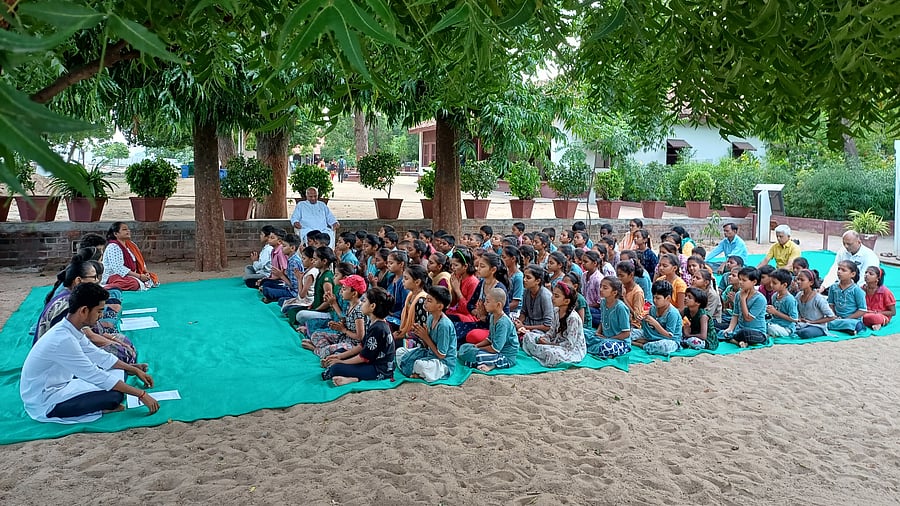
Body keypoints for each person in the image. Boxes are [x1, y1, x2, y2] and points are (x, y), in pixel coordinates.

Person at [20, 283, 159, 423]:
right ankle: (97, 408)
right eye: (99, 311)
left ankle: (98, 402)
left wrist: (133, 369)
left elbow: (100, 356)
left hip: (63, 386)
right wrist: (141, 394)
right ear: (84, 311)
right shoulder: (63, 339)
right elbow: (93, 374)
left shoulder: (71, 329)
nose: (101, 316)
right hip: (45, 401)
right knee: (115, 395)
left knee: (118, 372)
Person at [321, 286, 395, 386]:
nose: (361, 304)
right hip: (370, 361)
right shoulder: (375, 323)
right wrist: (339, 356)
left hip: (379, 369)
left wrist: (341, 362)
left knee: (336, 368)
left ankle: (354, 379)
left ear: (372, 306)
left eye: (364, 301)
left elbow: (364, 358)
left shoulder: (378, 328)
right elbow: (361, 346)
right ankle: (341, 368)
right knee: (340, 351)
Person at [395, 286, 458, 382]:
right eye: (426, 299)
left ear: (440, 307)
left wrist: (426, 337)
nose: (425, 302)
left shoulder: (444, 325)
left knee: (420, 365)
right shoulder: (431, 317)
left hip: (443, 363)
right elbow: (427, 347)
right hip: (429, 354)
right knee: (400, 351)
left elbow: (442, 355)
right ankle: (416, 373)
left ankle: (417, 372)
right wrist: (420, 334)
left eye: (429, 300)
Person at [521, 282, 587, 367]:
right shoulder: (556, 311)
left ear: (566, 301)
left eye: (556, 296)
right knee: (528, 336)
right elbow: (551, 331)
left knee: (552, 354)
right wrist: (545, 338)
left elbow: (570, 345)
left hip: (569, 349)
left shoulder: (572, 318)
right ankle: (540, 351)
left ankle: (540, 352)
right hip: (554, 342)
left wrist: (549, 344)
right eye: (553, 294)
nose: (552, 298)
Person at [458, 288, 519, 372]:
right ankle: (485, 362)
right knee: (465, 347)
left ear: (498, 305)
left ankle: (492, 364)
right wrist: (476, 346)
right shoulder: (492, 317)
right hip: (495, 352)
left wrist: (478, 349)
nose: (484, 304)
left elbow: (495, 349)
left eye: (487, 301)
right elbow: (490, 339)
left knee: (474, 355)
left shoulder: (503, 323)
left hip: (505, 356)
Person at [101, 222, 158, 291]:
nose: (128, 231)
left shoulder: (132, 245)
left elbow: (140, 262)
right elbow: (118, 268)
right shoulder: (113, 246)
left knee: (151, 278)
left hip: (132, 275)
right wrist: (139, 276)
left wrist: (146, 273)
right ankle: (106, 287)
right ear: (116, 234)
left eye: (128, 229)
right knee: (133, 283)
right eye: (124, 229)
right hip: (115, 276)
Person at [631, 280, 682, 355]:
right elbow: (650, 327)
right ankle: (648, 341)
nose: (654, 300)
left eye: (658, 298)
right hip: (653, 335)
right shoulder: (653, 309)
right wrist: (642, 320)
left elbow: (669, 335)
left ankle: (640, 344)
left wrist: (655, 324)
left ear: (668, 298)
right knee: (631, 333)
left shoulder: (672, 313)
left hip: (670, 340)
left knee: (663, 347)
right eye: (653, 297)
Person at [586, 276, 632, 359]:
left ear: (614, 292)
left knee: (606, 347)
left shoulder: (620, 307)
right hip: (603, 338)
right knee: (583, 332)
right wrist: (598, 332)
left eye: (605, 288)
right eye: (600, 286)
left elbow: (626, 333)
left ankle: (597, 349)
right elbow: (603, 320)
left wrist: (609, 338)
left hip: (619, 341)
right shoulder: (603, 302)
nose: (600, 289)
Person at [721, 267, 768, 347]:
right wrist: (730, 329)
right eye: (740, 279)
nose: (740, 282)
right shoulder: (738, 294)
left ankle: (733, 339)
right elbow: (735, 315)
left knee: (744, 333)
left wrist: (743, 299)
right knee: (717, 327)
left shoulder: (760, 299)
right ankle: (736, 340)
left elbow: (748, 318)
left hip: (756, 332)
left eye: (744, 280)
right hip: (739, 328)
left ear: (754, 282)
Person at [826, 260, 867, 334]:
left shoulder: (856, 290)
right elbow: (831, 304)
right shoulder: (833, 287)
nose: (839, 272)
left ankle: (846, 327)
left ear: (852, 274)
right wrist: (834, 316)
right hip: (836, 318)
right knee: (825, 320)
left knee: (853, 324)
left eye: (843, 270)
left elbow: (862, 310)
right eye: (838, 269)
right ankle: (846, 328)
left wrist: (847, 318)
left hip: (851, 319)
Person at [795, 269, 835, 339]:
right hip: (803, 324)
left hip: (817, 326)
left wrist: (813, 322)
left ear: (811, 282)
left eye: (802, 280)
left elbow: (831, 317)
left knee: (805, 333)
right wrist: (799, 318)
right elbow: (796, 312)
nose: (798, 282)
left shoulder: (818, 298)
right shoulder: (798, 296)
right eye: (798, 279)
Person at [515, 265, 554, 335]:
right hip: (527, 325)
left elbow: (548, 326)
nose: (524, 280)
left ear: (537, 281)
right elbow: (523, 312)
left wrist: (525, 327)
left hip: (540, 331)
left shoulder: (545, 296)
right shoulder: (526, 291)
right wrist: (518, 324)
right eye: (524, 277)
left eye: (528, 278)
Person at [765, 269, 799, 338]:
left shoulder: (789, 299)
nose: (771, 285)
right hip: (773, 323)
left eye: (774, 283)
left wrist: (776, 312)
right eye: (771, 282)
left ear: (784, 285)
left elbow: (794, 319)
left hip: (786, 328)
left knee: (771, 328)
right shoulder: (774, 296)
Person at [862, 266, 895, 331]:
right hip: (864, 313)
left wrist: (876, 312)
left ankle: (878, 322)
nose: (866, 275)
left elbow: (893, 312)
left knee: (873, 317)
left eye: (871, 274)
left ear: (878, 278)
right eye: (866, 272)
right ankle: (873, 323)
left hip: (879, 315)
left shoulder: (885, 292)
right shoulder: (861, 289)